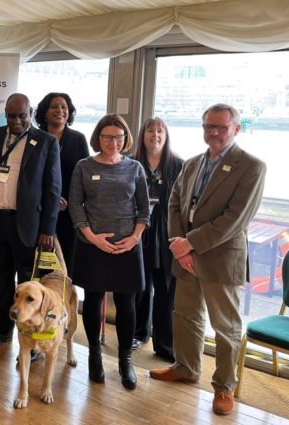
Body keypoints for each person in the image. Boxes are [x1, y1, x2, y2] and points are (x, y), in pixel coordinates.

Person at [150, 104, 266, 416]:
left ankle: (224, 387)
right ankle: (186, 367)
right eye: (208, 126)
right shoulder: (191, 163)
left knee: (225, 327)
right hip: (185, 256)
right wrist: (179, 244)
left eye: (221, 127)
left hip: (220, 258)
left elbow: (235, 220)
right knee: (186, 316)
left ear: (236, 129)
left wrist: (190, 244)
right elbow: (173, 203)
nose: (213, 132)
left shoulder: (252, 167)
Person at [0, 93, 61, 348]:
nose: (17, 121)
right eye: (12, 115)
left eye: (22, 115)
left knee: (29, 287)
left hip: (28, 227)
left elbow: (53, 189)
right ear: (6, 113)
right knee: (1, 281)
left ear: (30, 113)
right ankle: (2, 330)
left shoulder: (45, 142)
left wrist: (48, 229)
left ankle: (30, 338)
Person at [69, 114, 149, 391]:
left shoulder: (135, 167)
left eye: (118, 137)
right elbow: (76, 206)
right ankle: (94, 354)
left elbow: (143, 210)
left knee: (127, 304)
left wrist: (135, 238)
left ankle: (125, 359)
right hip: (93, 245)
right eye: (107, 137)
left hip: (127, 246)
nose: (113, 142)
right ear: (98, 139)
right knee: (93, 300)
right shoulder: (83, 166)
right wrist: (91, 236)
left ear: (125, 138)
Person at [131, 118, 183, 360]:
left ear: (166, 135)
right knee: (139, 287)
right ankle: (139, 333)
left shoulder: (179, 165)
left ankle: (165, 345)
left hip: (167, 235)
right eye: (150, 130)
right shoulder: (131, 163)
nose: (155, 135)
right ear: (143, 135)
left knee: (165, 291)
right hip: (138, 232)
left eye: (160, 130)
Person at [35, 92, 89, 276]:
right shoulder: (35, 138)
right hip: (40, 211)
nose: (60, 110)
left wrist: (69, 199)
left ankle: (63, 302)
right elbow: (29, 176)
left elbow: (84, 176)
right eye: (54, 106)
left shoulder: (78, 139)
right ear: (45, 111)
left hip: (69, 212)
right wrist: (51, 199)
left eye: (64, 107)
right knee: (40, 266)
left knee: (67, 266)